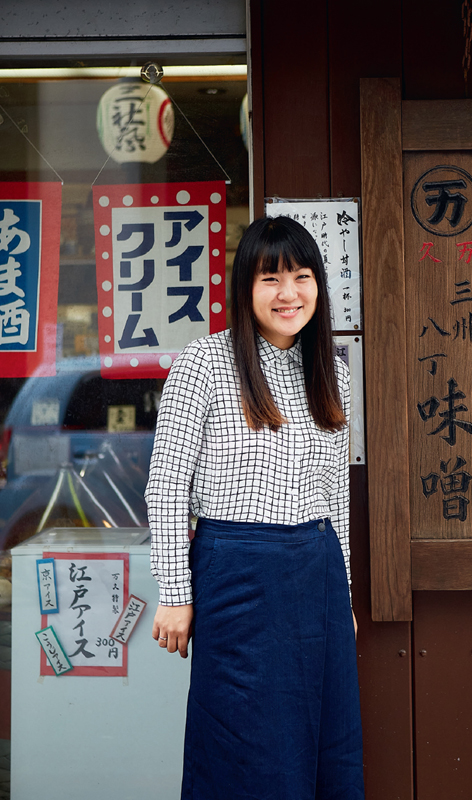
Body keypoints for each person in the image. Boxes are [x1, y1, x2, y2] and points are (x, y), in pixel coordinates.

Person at [145, 215, 364, 800]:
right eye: (270, 279)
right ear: (245, 288)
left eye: (300, 275)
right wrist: (174, 592)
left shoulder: (332, 373)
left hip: (317, 571)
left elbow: (335, 496)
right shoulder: (205, 363)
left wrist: (343, 599)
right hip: (238, 574)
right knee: (243, 744)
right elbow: (166, 486)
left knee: (327, 743)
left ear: (318, 282)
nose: (288, 293)